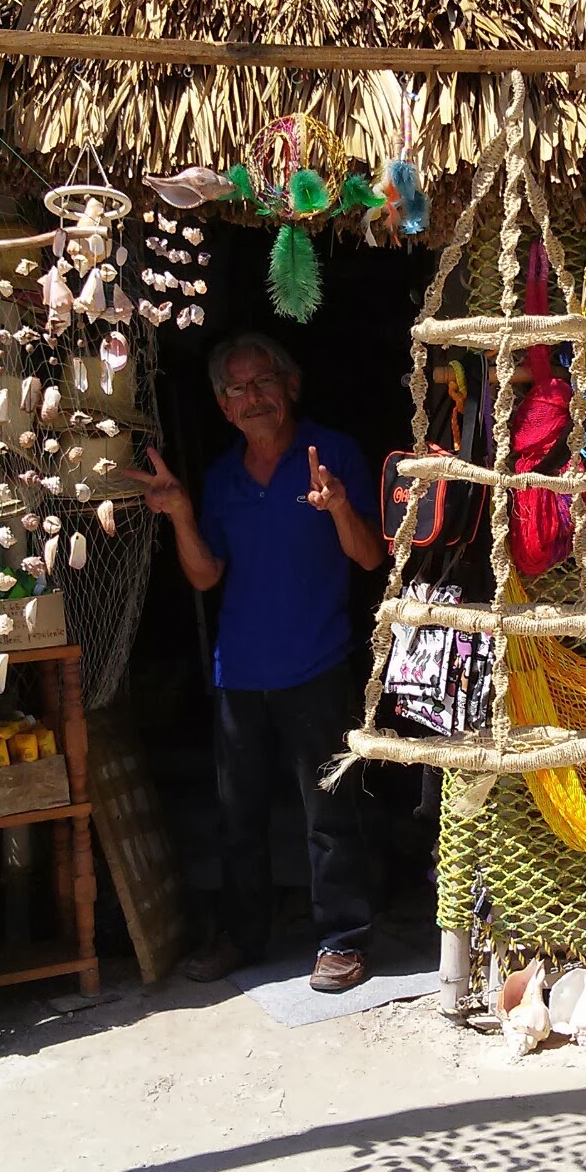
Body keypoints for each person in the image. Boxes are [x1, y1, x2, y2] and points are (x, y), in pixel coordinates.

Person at [121, 333, 386, 993]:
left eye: (263, 381)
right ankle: (242, 936)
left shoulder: (332, 454)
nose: (252, 397)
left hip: (319, 662)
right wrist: (181, 514)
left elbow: (370, 557)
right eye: (236, 389)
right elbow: (205, 575)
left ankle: (343, 940)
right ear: (222, 406)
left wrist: (338, 505)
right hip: (238, 670)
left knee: (328, 813)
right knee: (238, 817)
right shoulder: (221, 479)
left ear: (291, 385)